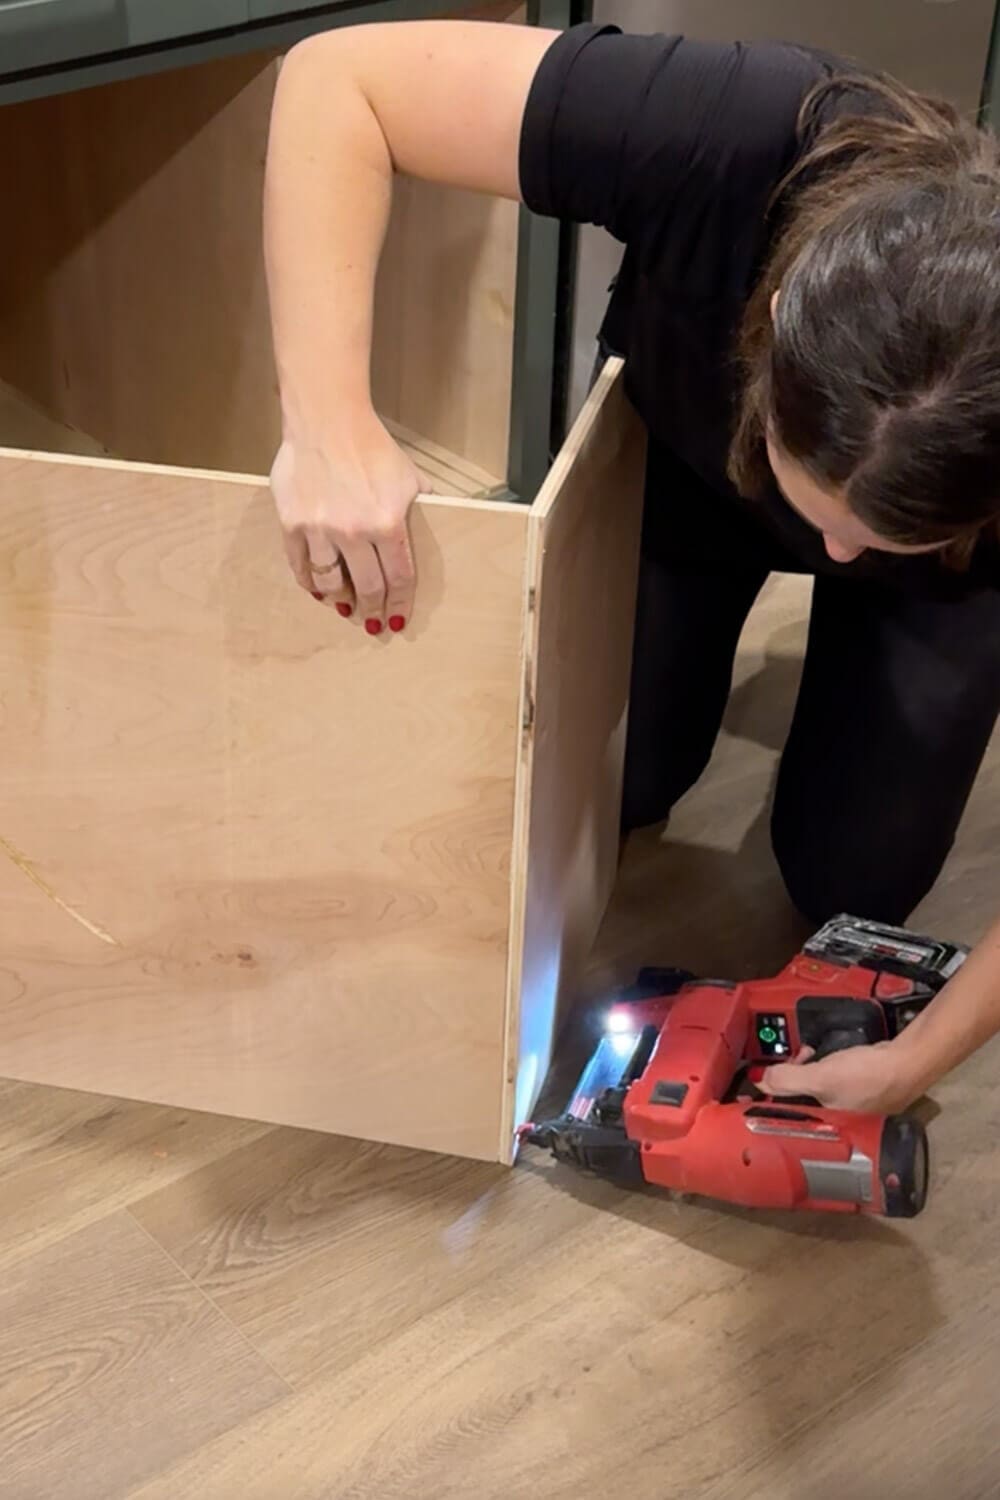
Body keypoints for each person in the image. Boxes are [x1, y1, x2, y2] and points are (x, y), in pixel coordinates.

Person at [262, 20, 1000, 1114]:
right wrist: (326, 423)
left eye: (872, 536)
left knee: (856, 883)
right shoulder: (732, 132)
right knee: (618, 779)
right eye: (823, 508)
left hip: (954, 583)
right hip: (693, 474)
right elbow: (337, 81)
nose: (836, 552)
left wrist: (913, 1058)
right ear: (775, 325)